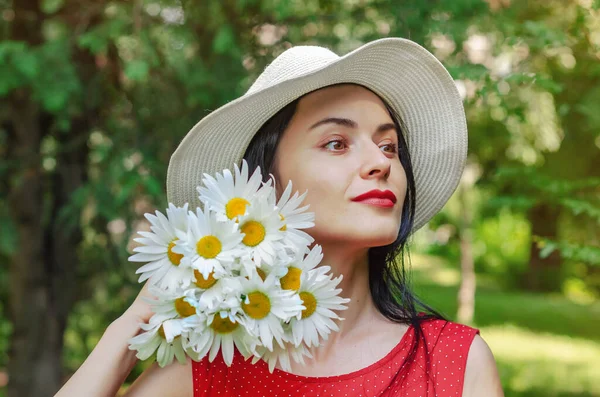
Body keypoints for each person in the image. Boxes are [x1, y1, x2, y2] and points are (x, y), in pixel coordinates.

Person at [56, 37, 504, 396]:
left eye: (389, 146)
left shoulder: (454, 366)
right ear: (263, 184)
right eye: (337, 143)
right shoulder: (203, 371)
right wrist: (132, 325)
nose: (381, 163)